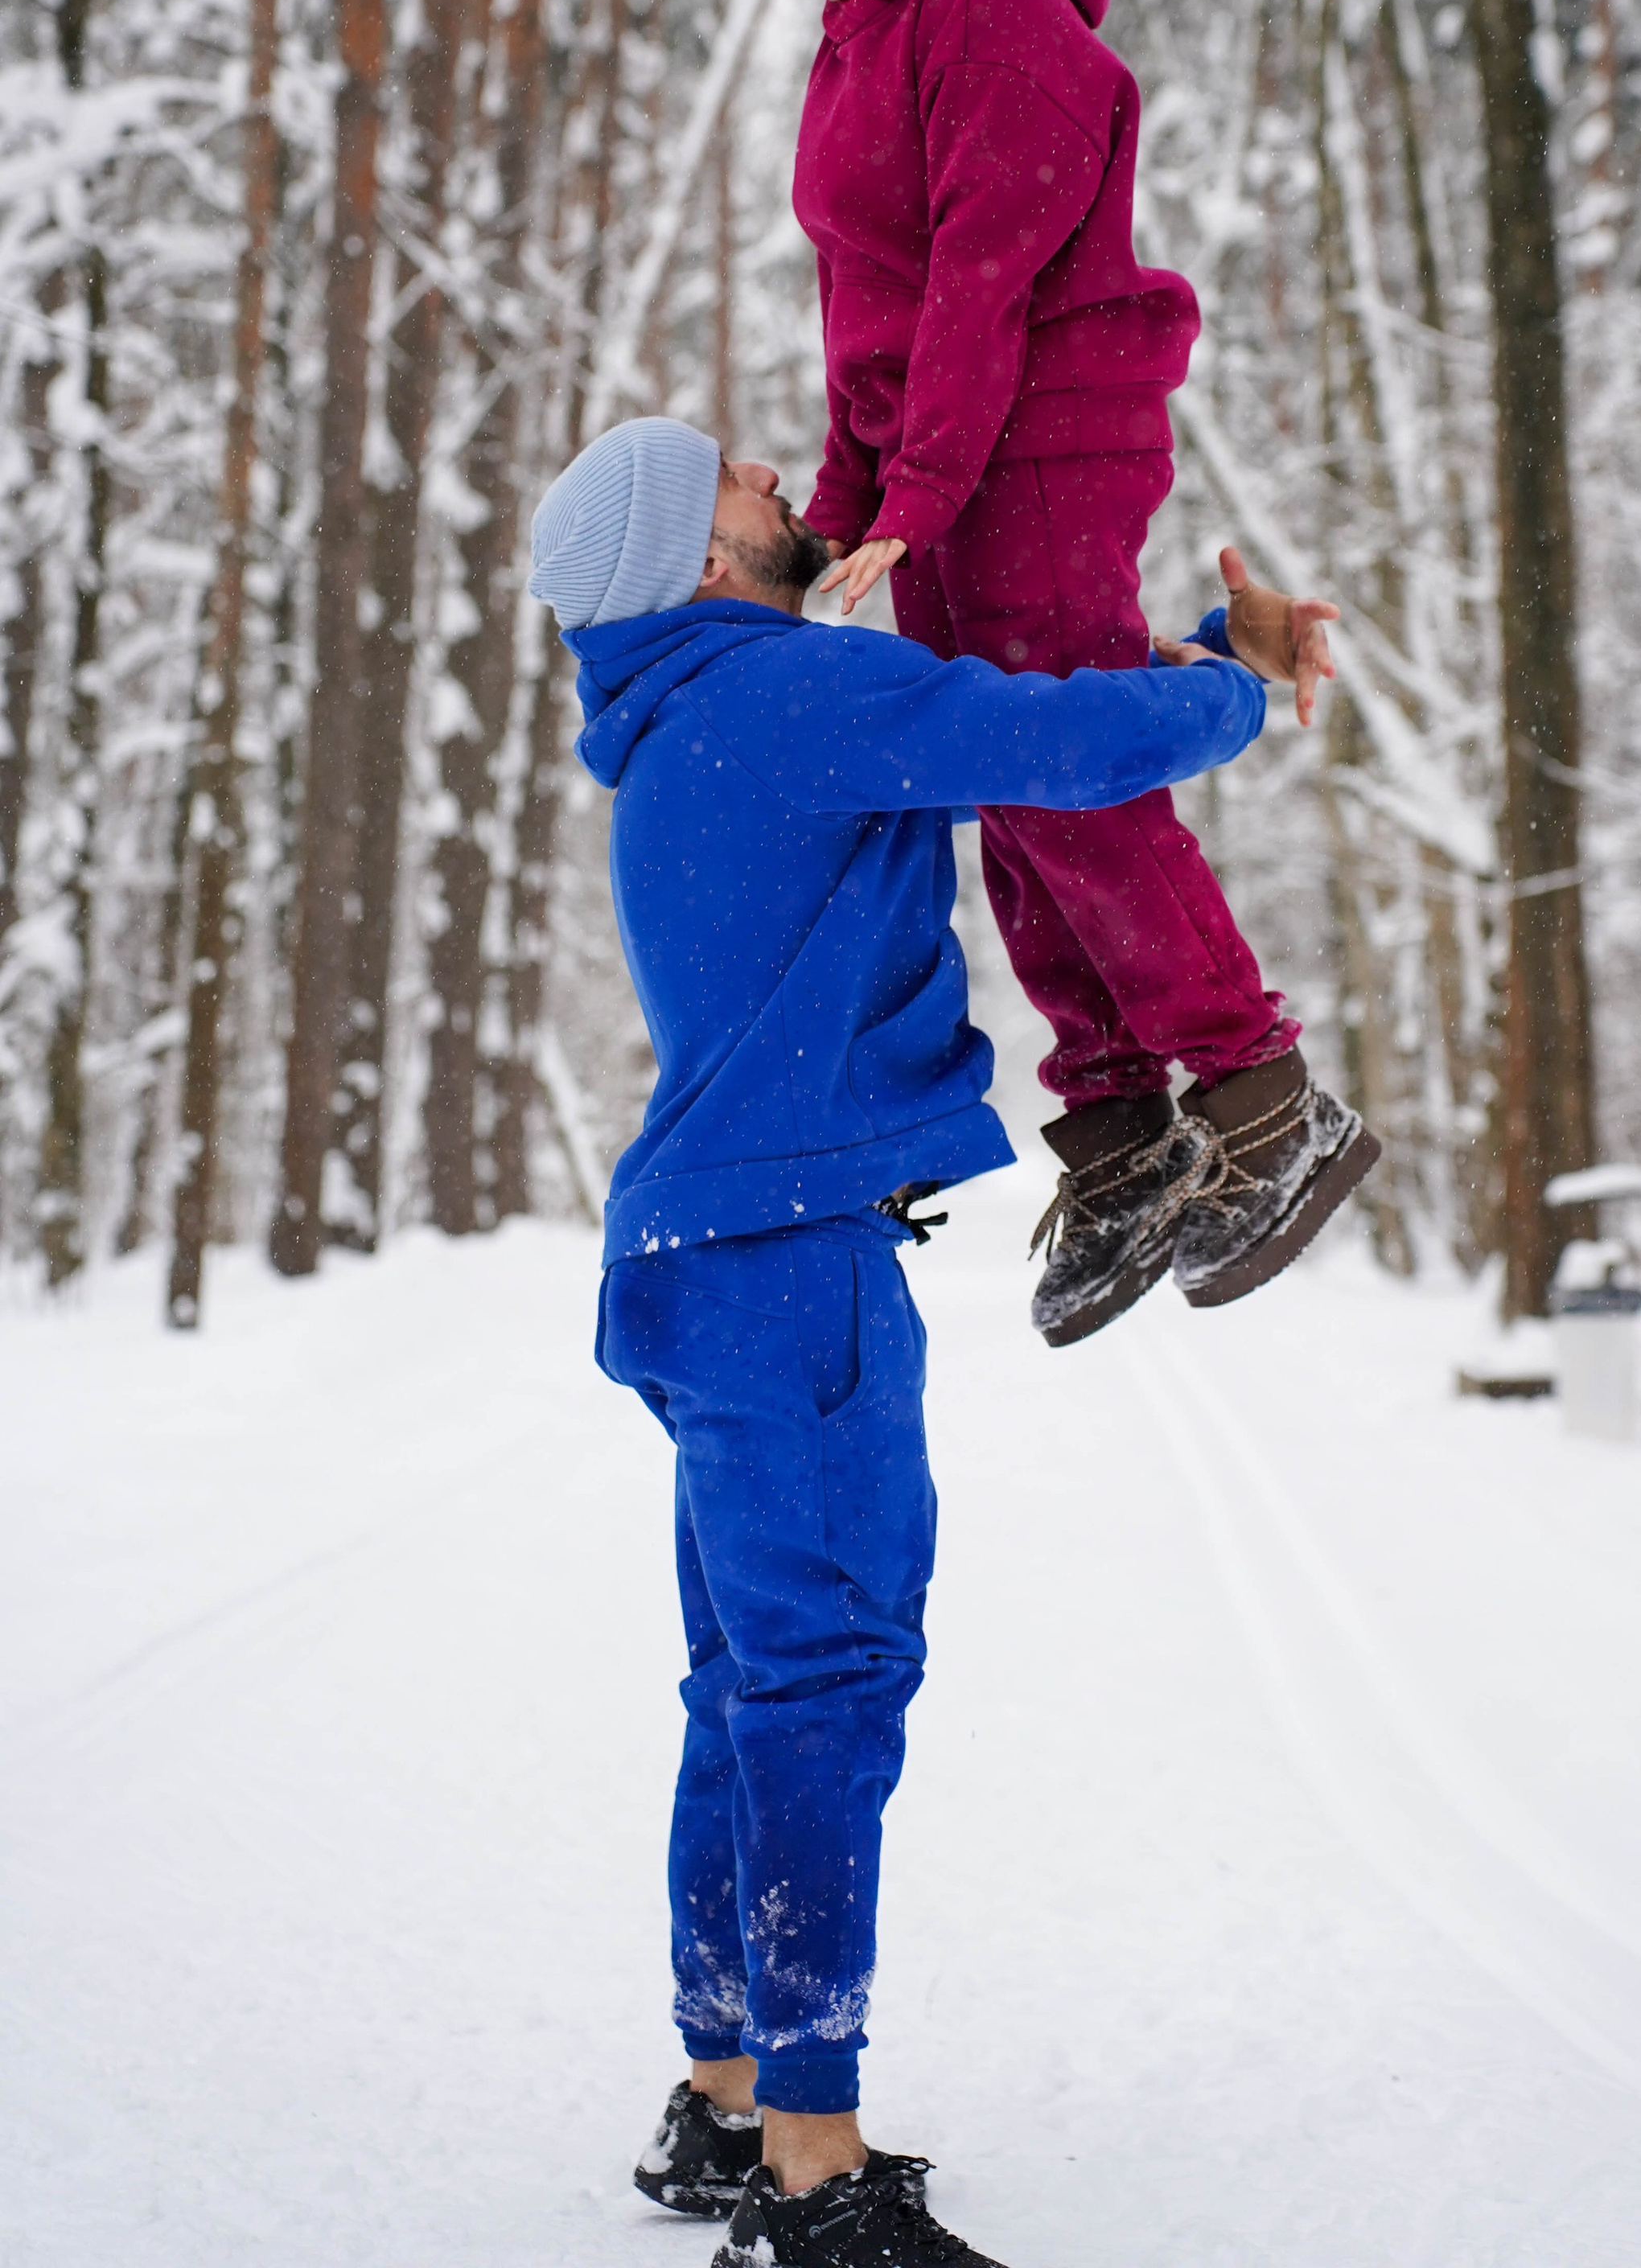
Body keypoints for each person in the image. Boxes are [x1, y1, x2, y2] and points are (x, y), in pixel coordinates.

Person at [527, 413, 1342, 2268]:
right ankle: (812, 2178)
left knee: (749, 1688)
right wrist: (1223, 687)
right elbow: (1039, 747)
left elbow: (954, 725)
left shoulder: (705, 704)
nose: (770, 472)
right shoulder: (768, 693)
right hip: (785, 1264)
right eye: (733, 479)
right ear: (702, 563)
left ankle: (723, 2102)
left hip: (705, 1255)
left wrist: (852, 640)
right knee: (823, 1690)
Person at [697, 0, 1380, 1350]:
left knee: (1058, 766)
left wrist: (915, 488)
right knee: (996, 773)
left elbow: (990, 276)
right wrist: (856, 505)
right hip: (943, 456)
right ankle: (1120, 1128)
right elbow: (874, 302)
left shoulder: (988, 6)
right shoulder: (864, 24)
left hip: (1042, 437)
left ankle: (1253, 1095)